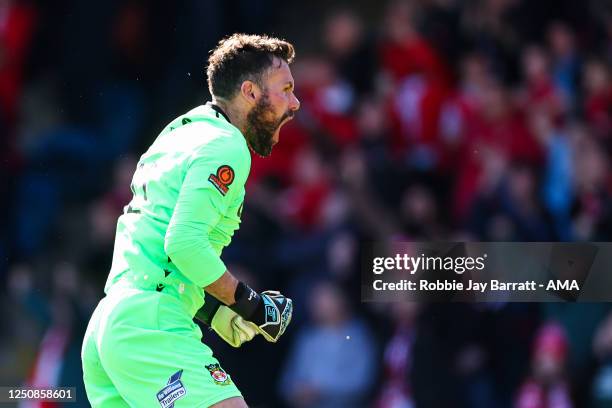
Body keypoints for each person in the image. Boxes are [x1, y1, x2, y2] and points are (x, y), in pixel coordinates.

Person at [81, 33, 300, 408]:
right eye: (286, 88)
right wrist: (251, 306)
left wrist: (213, 311)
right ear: (249, 92)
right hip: (151, 325)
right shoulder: (227, 145)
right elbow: (183, 244)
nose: (295, 103)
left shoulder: (179, 133)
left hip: (111, 326)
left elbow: (159, 252)